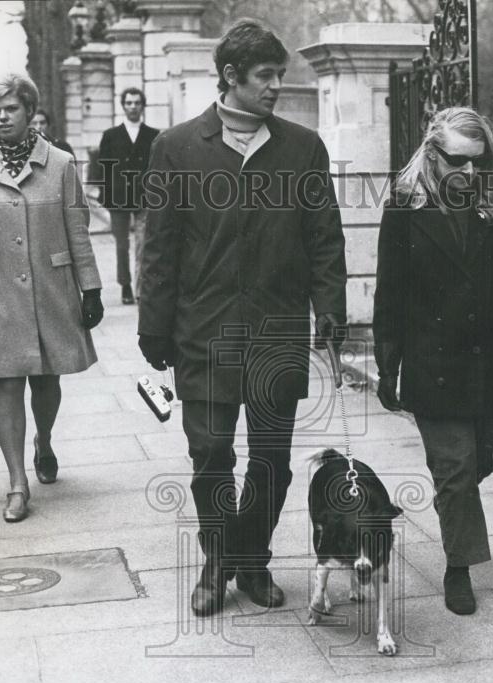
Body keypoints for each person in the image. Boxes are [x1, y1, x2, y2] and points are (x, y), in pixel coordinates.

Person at [139, 21, 347, 617]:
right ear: (231, 78)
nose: (277, 86)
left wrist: (330, 307)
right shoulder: (176, 147)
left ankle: (252, 558)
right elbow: (158, 247)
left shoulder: (303, 148)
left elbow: (324, 237)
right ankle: (216, 561)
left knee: (272, 460)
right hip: (202, 331)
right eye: (265, 76)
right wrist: (154, 328)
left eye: (280, 75)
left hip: (277, 331)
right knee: (209, 455)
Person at [373, 106, 493, 615]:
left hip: (492, 358)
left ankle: (453, 505)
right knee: (453, 467)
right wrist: (388, 365)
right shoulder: (405, 205)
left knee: (478, 457)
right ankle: (459, 567)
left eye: (478, 161)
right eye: (457, 161)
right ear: (432, 153)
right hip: (434, 360)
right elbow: (391, 292)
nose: (469, 172)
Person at [0, 73, 103, 523]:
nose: (2, 117)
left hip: (50, 289)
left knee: (47, 379)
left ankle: (45, 438)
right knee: (6, 381)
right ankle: (17, 483)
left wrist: (90, 287)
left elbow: (78, 228)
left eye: (10, 108)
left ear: (29, 111)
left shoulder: (59, 164)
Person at [94, 87, 159, 304]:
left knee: (144, 244)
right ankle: (125, 285)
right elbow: (103, 168)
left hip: (145, 197)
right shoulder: (111, 135)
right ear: (123, 106)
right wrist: (106, 195)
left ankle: (141, 288)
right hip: (118, 198)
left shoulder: (154, 135)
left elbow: (158, 168)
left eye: (137, 103)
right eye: (129, 103)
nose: (133, 107)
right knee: (122, 245)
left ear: (143, 106)